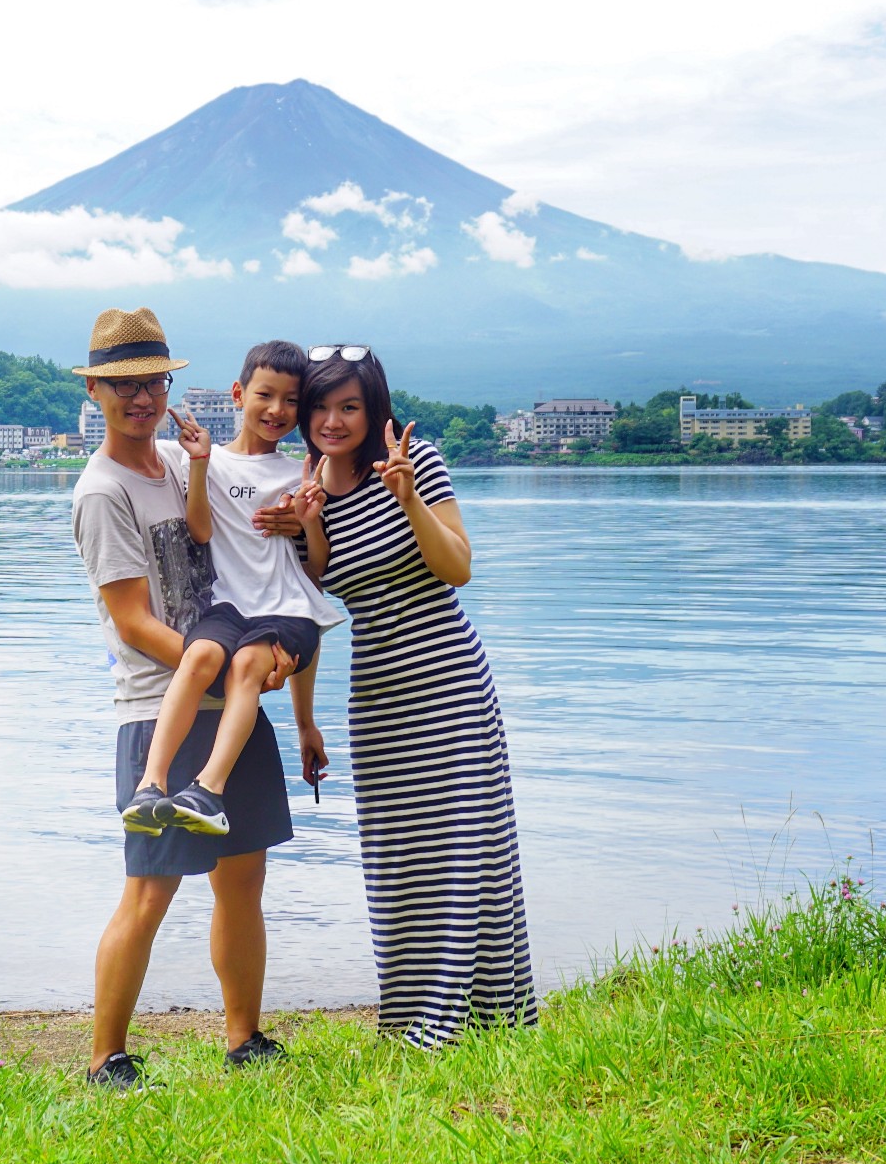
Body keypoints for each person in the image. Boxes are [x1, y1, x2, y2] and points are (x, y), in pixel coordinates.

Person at [67, 307, 303, 1089]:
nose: (141, 398)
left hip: (232, 699)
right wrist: (226, 664)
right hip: (158, 708)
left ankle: (244, 1038)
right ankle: (106, 1056)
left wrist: (291, 520)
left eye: (153, 382)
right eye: (124, 386)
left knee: (244, 878)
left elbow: (243, 519)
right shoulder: (102, 491)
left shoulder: (176, 460)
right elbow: (132, 620)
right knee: (149, 891)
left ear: (169, 385)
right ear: (96, 390)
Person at [277, 343, 537, 1048]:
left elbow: (458, 569)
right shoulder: (306, 489)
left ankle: (464, 1021)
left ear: (375, 409)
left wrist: (408, 499)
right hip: (379, 693)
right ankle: (410, 1016)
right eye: (322, 407)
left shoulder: (414, 462)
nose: (334, 420)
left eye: (350, 407)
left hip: (448, 679)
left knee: (463, 848)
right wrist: (304, 722)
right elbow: (311, 609)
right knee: (400, 858)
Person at [122, 341, 341, 838]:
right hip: (229, 606)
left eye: (291, 400)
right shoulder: (205, 460)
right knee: (197, 657)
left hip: (288, 610)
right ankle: (150, 785)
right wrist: (199, 464)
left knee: (244, 665)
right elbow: (200, 531)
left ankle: (209, 790)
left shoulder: (303, 473)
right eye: (266, 395)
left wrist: (308, 523)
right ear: (239, 394)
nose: (278, 410)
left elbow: (317, 570)